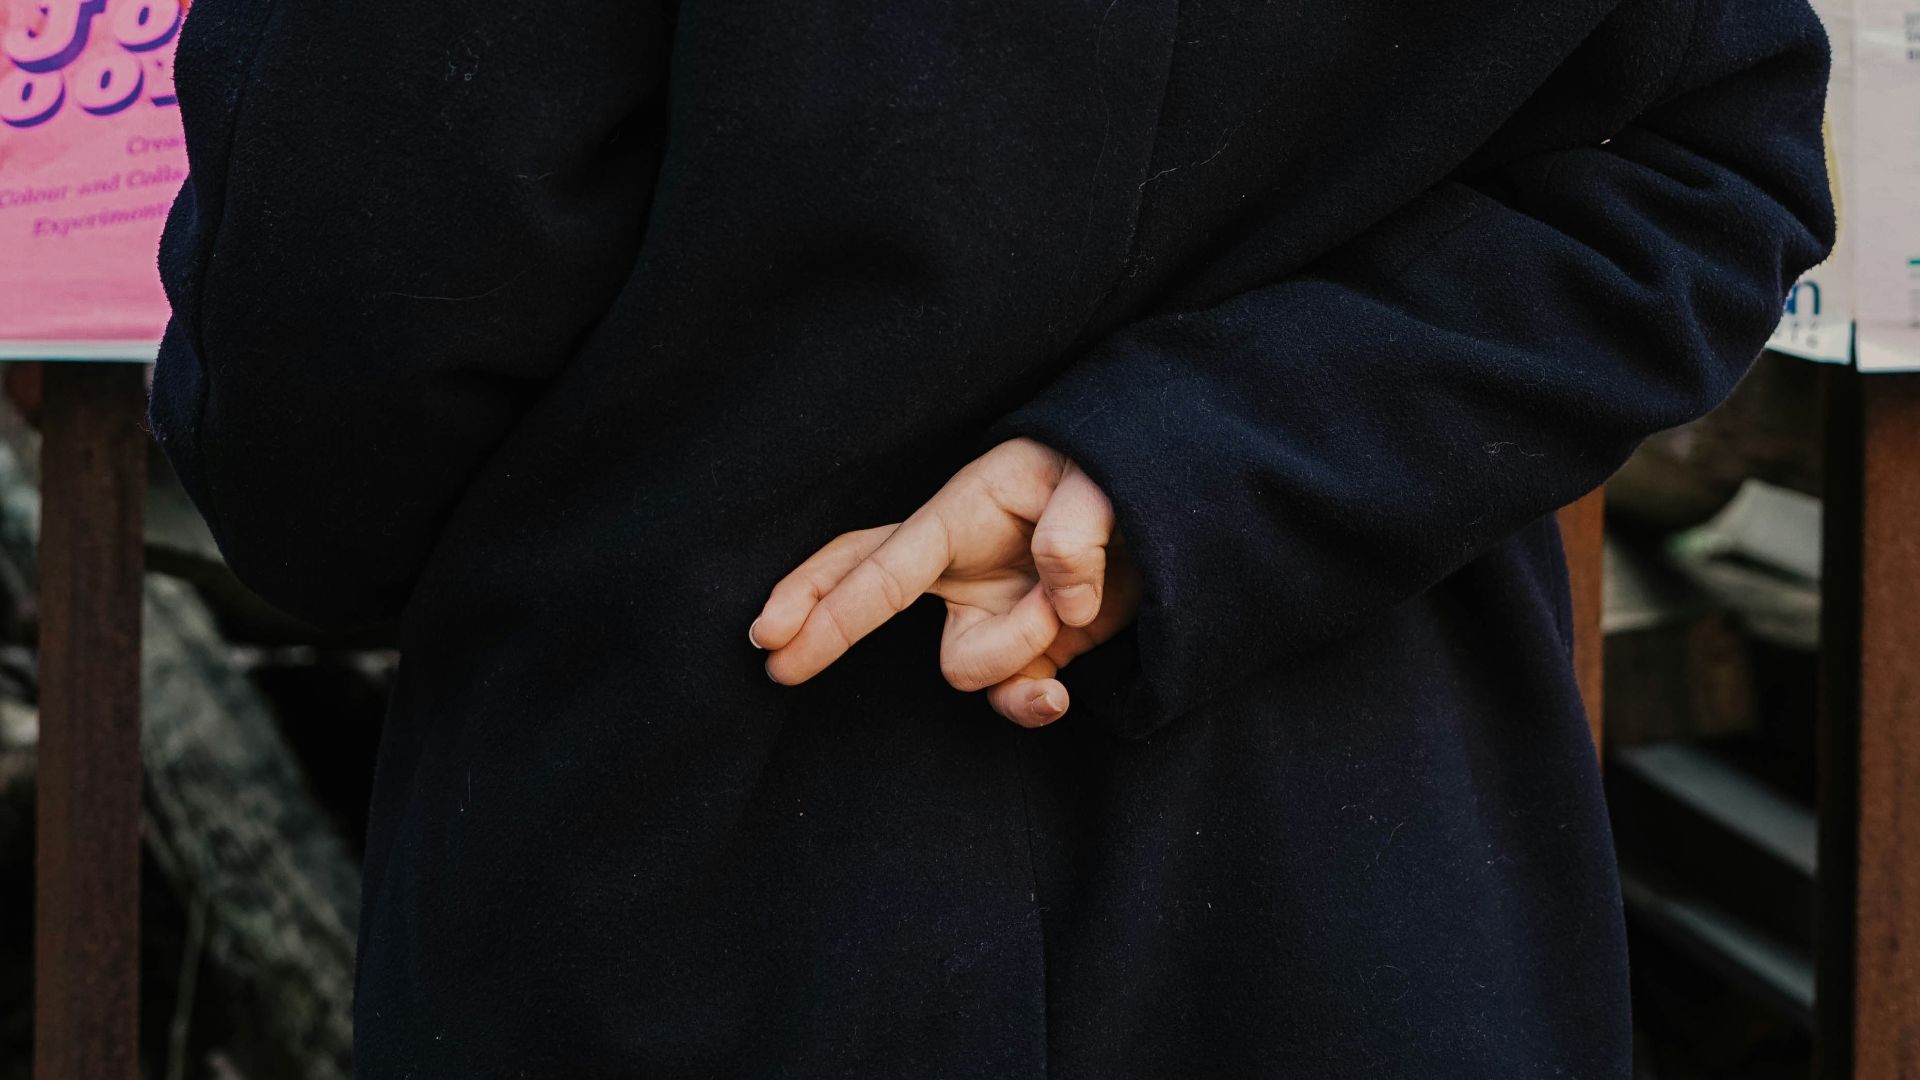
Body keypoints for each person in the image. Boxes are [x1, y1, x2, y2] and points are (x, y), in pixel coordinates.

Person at [146, 0, 1835, 1074]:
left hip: (693, 869)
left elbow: (331, 378)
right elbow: (1700, 166)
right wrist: (1215, 460)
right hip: (1360, 892)